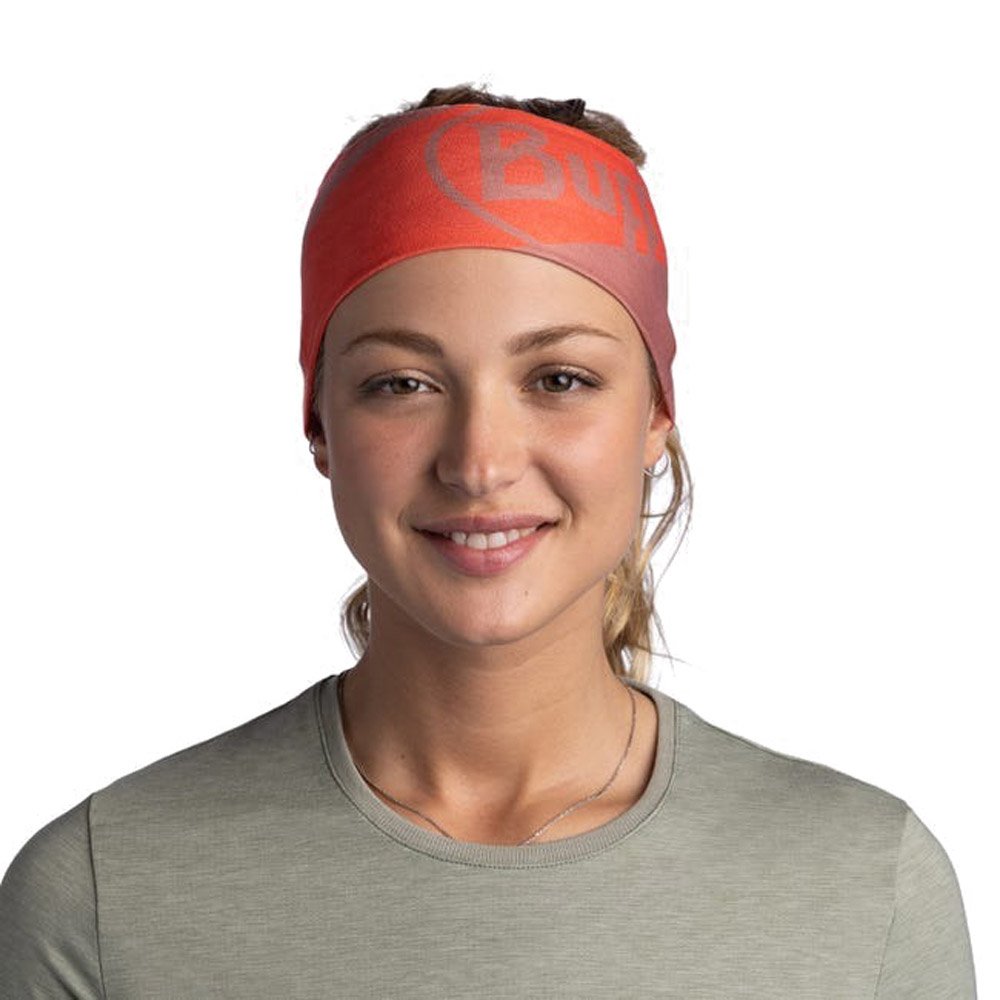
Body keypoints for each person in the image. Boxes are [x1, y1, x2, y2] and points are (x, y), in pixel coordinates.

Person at [0, 83, 977, 998]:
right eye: (402, 384)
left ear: (654, 417)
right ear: (319, 426)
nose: (478, 462)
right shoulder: (104, 891)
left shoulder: (864, 882)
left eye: (559, 379)